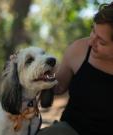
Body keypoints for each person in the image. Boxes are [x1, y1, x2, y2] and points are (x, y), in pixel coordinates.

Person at [38, 2, 113, 135]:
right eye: (93, 30)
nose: (91, 42)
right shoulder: (79, 49)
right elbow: (58, 87)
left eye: (101, 42)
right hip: (72, 129)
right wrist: (42, 76)